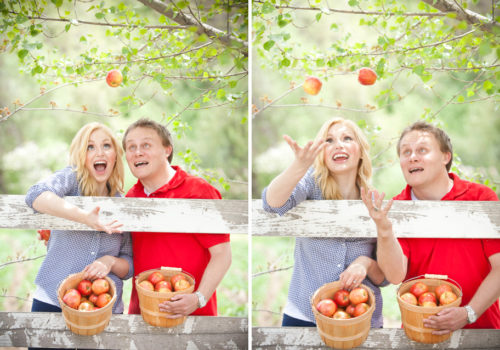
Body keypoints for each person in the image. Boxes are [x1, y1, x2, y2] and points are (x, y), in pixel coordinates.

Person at [361, 121, 500, 333]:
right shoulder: (397, 207)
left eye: (422, 150)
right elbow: (396, 275)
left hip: (482, 330)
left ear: (446, 156)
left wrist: (468, 313)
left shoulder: (480, 198)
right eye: (405, 152)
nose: (412, 157)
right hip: (423, 333)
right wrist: (384, 230)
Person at [262, 117, 386, 327]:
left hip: (361, 316)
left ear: (361, 152)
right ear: (322, 152)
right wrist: (299, 165)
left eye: (347, 138)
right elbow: (272, 203)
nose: (338, 144)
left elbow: (384, 277)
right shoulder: (311, 185)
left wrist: (365, 263)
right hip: (306, 313)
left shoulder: (372, 200)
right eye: (329, 140)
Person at [123, 118, 231, 318]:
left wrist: (198, 298)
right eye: (131, 147)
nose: (137, 152)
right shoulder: (131, 198)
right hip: (144, 316)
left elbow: (222, 255)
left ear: (167, 150)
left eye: (146, 145)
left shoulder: (199, 191)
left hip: (193, 316)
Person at [25, 122, 133, 316]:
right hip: (53, 298)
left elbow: (129, 265)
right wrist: (85, 217)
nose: (99, 152)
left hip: (102, 307)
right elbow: (36, 194)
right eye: (90, 147)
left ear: (115, 155)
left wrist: (109, 261)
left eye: (106, 145)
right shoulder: (71, 180)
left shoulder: (122, 204)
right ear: (81, 155)